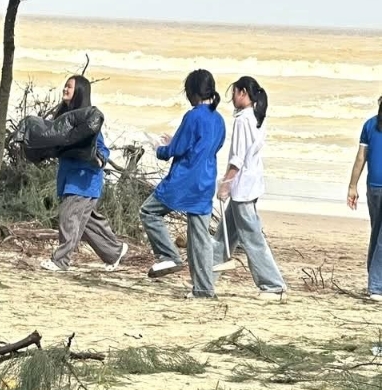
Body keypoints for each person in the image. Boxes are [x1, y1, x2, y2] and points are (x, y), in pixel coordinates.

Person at [140, 69, 226, 298]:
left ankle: (169, 255)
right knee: (199, 239)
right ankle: (204, 289)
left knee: (148, 211)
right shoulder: (218, 119)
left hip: (184, 180)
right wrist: (175, 142)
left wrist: (160, 148)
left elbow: (175, 150)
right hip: (205, 182)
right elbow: (210, 147)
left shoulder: (194, 115)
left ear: (192, 91)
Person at [40, 75, 129, 273]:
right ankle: (114, 252)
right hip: (70, 179)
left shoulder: (88, 120)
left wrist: (99, 159)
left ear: (79, 91)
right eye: (65, 86)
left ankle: (60, 261)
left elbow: (102, 148)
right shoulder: (65, 119)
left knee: (68, 217)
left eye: (69, 87)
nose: (65, 89)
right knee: (87, 223)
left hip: (84, 180)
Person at [211, 77, 286, 300]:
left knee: (252, 238)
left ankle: (273, 285)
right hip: (249, 185)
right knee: (222, 238)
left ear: (243, 92)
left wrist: (225, 184)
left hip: (242, 187)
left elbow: (238, 158)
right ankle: (205, 281)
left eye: (233, 93)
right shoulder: (257, 115)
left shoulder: (244, 119)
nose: (232, 98)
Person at [347, 96, 382, 300]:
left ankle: (375, 278)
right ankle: (377, 286)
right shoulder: (370, 125)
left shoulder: (369, 124)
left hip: (373, 188)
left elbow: (361, 157)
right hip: (375, 188)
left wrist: (353, 185)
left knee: (377, 233)